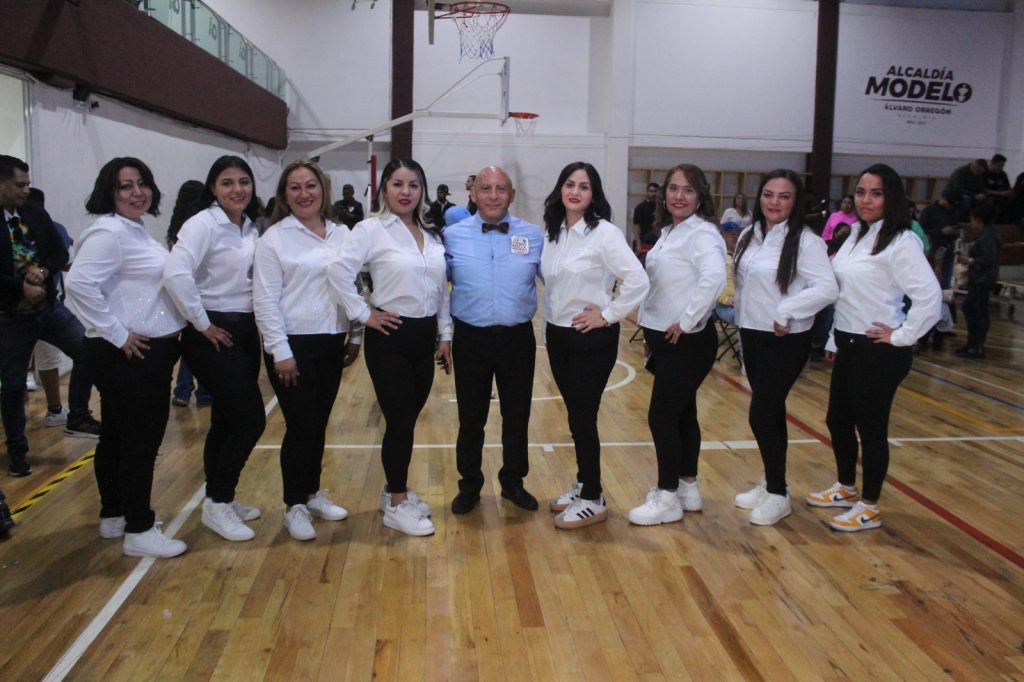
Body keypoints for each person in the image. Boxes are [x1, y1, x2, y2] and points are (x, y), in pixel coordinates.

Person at [807, 164, 941, 532]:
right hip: (849, 343)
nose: (866, 200)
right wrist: (834, 339)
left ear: (891, 197)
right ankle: (846, 488)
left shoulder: (902, 241)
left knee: (871, 429)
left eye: (876, 193)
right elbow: (844, 294)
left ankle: (869, 506)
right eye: (861, 192)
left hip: (878, 351)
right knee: (838, 420)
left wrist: (901, 335)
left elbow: (930, 297)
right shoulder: (856, 234)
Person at [65, 157, 188, 558]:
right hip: (133, 355)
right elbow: (79, 284)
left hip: (136, 354)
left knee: (118, 436)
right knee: (140, 442)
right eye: (125, 186)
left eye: (142, 183)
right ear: (109, 192)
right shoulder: (110, 233)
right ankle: (139, 527)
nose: (137, 192)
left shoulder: (132, 231)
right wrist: (117, 334)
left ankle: (115, 515)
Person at [327, 159, 450, 537]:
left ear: (422, 190)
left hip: (424, 337)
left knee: (407, 420)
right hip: (390, 337)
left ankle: (392, 490)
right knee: (398, 421)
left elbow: (441, 290)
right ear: (384, 189)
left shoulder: (431, 235)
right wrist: (364, 314)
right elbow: (337, 272)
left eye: (413, 184)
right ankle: (397, 502)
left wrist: (445, 335)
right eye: (398, 184)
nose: (405, 191)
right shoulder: (370, 229)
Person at [253, 160, 362, 541]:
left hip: (331, 341)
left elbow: (353, 288)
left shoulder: (342, 234)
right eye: (295, 187)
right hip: (292, 345)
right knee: (301, 425)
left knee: (318, 423)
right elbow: (265, 300)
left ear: (323, 190)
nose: (304, 194)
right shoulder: (274, 239)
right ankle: (293, 505)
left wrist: (355, 336)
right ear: (284, 195)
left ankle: (312, 493)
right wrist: (280, 351)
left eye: (311, 186)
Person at [164, 156, 267, 542]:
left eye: (244, 181)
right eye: (227, 182)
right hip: (213, 332)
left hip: (244, 329)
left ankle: (219, 497)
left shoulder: (248, 226)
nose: (237, 189)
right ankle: (218, 502)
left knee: (225, 419)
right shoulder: (203, 224)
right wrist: (201, 322)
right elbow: (175, 273)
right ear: (213, 187)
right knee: (251, 419)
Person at [542, 162, 649, 529]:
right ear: (560, 188)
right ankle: (584, 482)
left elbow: (638, 280)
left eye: (584, 186)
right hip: (558, 335)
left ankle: (593, 497)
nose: (576, 192)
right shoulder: (553, 231)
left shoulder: (605, 233)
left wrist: (608, 314)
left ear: (594, 194)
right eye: (570, 184)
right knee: (576, 416)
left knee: (584, 416)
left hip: (591, 338)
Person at [730, 170, 838, 525]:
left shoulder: (806, 242)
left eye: (784, 196)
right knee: (772, 412)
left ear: (796, 202)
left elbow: (827, 288)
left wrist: (787, 310)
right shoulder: (749, 234)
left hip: (786, 338)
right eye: (768, 194)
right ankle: (771, 481)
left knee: (761, 413)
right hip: (752, 332)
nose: (774, 202)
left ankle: (778, 494)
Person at [626, 164, 724, 527]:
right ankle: (687, 487)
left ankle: (667, 497)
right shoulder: (670, 232)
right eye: (673, 188)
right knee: (683, 414)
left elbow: (715, 279)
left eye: (688, 190)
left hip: (687, 341)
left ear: (700, 197)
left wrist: (687, 320)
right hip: (665, 339)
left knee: (662, 416)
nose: (679, 196)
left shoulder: (702, 234)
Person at [444, 166, 543, 515]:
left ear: (512, 195)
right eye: (486, 188)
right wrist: (442, 335)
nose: (494, 195)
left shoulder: (532, 235)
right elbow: (437, 288)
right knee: (471, 418)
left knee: (517, 416)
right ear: (473, 193)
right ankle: (469, 484)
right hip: (470, 337)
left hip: (518, 338)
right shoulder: (451, 236)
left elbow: (559, 278)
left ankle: (513, 482)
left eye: (501, 189)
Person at [1, 155, 99, 478]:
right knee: (13, 386)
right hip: (10, 318)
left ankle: (77, 416)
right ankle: (18, 451)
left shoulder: (34, 213)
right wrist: (21, 287)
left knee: (88, 350)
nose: (25, 190)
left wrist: (42, 272)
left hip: (48, 310)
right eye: (19, 185)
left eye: (27, 184)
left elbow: (58, 253)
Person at [26, 187, 99, 436]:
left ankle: (62, 412)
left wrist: (45, 271)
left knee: (69, 355)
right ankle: (50, 412)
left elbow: (64, 259)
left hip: (50, 308)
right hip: (15, 315)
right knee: (19, 372)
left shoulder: (51, 228)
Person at [165, 179, 212, 408]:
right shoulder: (201, 224)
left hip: (183, 295)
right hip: (200, 293)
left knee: (191, 344)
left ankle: (183, 390)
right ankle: (202, 392)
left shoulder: (176, 226)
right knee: (204, 343)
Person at [955, 202, 1003, 359]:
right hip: (978, 278)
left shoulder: (989, 237)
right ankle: (972, 343)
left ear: (979, 220)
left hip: (983, 279)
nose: (971, 223)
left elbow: (989, 259)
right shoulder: (985, 235)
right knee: (972, 309)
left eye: (972, 219)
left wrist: (970, 261)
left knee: (977, 311)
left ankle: (977, 346)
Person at [984, 153, 1014, 222]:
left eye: (1002, 166)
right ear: (992, 163)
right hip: (989, 196)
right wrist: (1000, 193)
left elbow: (1007, 187)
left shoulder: (1002, 174)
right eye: (999, 166)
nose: (1001, 168)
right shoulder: (984, 173)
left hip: (1002, 197)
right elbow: (982, 189)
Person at [632, 182, 659, 252]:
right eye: (651, 191)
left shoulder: (662, 208)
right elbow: (636, 227)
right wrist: (638, 245)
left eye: (655, 191)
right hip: (645, 243)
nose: (653, 194)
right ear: (647, 192)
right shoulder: (640, 207)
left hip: (658, 242)